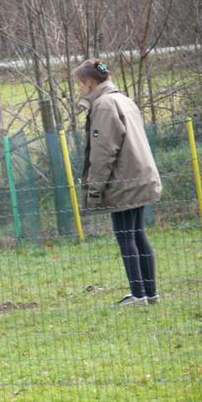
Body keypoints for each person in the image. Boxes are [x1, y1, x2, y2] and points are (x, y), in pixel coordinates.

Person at [75, 60, 162, 306]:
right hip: (141, 177)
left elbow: (103, 152)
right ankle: (150, 293)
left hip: (124, 182)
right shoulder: (123, 99)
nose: (79, 89)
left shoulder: (103, 105)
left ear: (90, 83)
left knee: (125, 236)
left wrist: (94, 188)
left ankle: (137, 295)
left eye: (80, 84)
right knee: (137, 234)